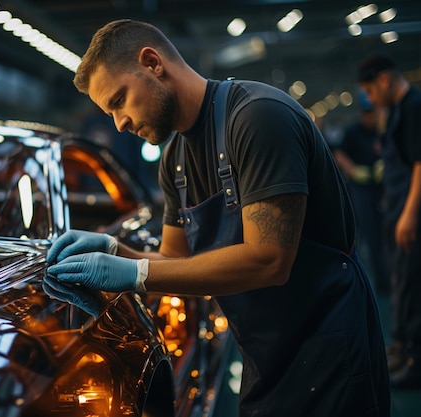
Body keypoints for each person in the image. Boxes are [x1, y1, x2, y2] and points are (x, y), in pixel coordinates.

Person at [45, 19, 390, 415]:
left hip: (330, 345)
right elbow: (175, 262)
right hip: (265, 355)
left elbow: (269, 260)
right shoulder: (174, 160)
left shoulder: (258, 118)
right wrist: (117, 250)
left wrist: (135, 272)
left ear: (153, 62)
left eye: (119, 100)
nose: (119, 124)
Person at [358, 52, 421, 389]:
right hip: (397, 211)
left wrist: (410, 215)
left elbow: (420, 165)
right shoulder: (396, 110)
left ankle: (416, 360)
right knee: (401, 284)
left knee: (412, 286)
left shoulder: (414, 106)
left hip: (410, 216)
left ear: (383, 79)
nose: (369, 99)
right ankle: (403, 345)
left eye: (369, 90)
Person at [332, 93, 389, 294]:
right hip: (361, 188)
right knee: (370, 233)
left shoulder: (384, 130)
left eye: (372, 112)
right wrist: (354, 170)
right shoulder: (353, 131)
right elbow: (338, 153)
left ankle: (390, 276)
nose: (369, 117)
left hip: (383, 186)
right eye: (366, 113)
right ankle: (379, 283)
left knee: (387, 233)